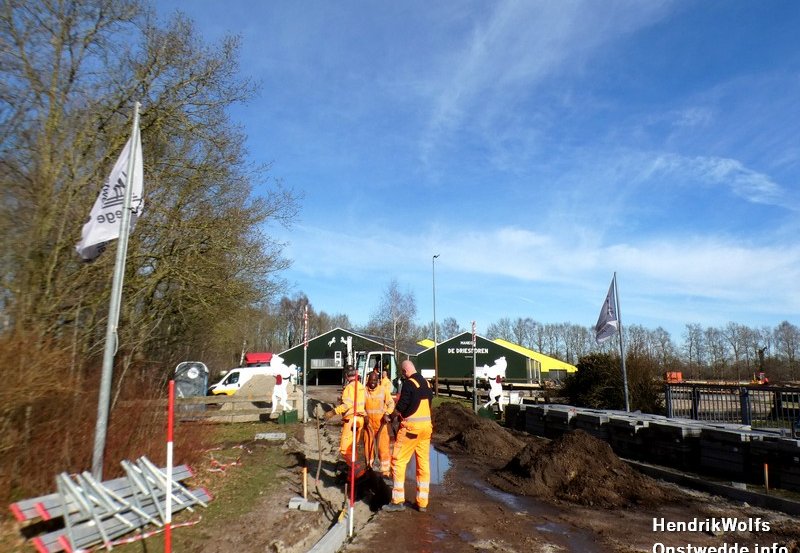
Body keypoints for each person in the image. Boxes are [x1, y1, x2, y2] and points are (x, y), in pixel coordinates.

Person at [382, 359, 433, 513]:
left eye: (402, 374)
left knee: (398, 461)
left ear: (405, 372)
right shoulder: (426, 383)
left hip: (411, 429)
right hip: (426, 429)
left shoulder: (409, 384)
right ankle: (422, 502)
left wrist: (391, 416)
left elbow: (402, 405)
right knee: (423, 464)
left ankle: (397, 501)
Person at [325, 366, 366, 470]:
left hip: (351, 420)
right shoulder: (361, 386)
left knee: (344, 449)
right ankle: (353, 473)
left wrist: (333, 412)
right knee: (352, 448)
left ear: (346, 376)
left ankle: (356, 470)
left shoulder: (349, 388)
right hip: (359, 420)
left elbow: (347, 405)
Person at [364, 371, 395, 477]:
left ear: (378, 381)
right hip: (368, 425)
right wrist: (364, 415)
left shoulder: (383, 390)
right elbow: (359, 406)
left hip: (381, 424)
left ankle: (385, 471)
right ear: (368, 380)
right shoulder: (364, 391)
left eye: (375, 380)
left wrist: (387, 414)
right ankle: (370, 468)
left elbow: (391, 404)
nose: (373, 382)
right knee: (369, 446)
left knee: (383, 447)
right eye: (371, 380)